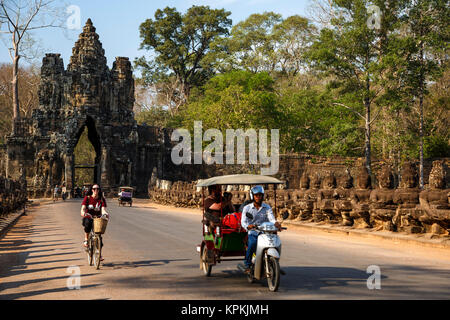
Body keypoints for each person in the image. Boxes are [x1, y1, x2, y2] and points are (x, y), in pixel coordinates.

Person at [241, 185, 281, 273]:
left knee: (276, 243)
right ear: (253, 196)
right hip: (253, 232)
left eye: (260, 195)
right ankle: (247, 264)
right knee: (252, 243)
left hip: (265, 232)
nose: (258, 197)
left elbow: (271, 218)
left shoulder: (267, 207)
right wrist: (248, 226)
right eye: (256, 195)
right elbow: (243, 221)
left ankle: (276, 263)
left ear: (263, 196)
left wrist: (276, 223)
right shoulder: (247, 208)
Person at [80, 184, 109, 251]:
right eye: (94, 189)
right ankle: (86, 240)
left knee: (99, 237)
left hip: (97, 218)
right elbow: (83, 208)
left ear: (99, 190)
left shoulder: (101, 199)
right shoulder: (87, 198)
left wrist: (105, 213)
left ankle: (99, 253)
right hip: (88, 216)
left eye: (97, 189)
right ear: (92, 190)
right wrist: (83, 213)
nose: (96, 190)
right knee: (87, 224)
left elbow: (103, 210)